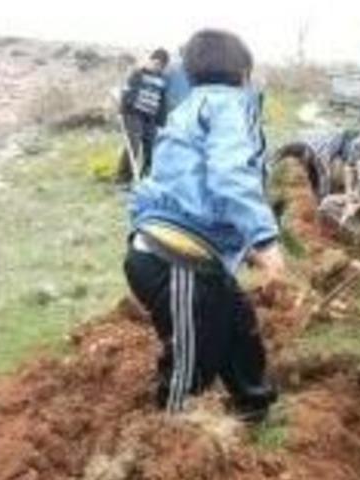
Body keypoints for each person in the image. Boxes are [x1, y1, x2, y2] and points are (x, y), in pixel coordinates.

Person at [123, 29, 283, 424]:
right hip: (176, 260)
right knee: (192, 358)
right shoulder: (228, 105)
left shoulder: (189, 107)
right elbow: (230, 176)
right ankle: (173, 431)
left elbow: (189, 184)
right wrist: (264, 239)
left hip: (188, 253)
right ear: (243, 72)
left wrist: (242, 245)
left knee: (237, 324)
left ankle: (253, 405)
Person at [117, 48, 170, 182]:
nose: (158, 67)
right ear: (150, 60)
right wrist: (123, 110)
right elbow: (126, 94)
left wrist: (161, 122)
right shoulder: (137, 74)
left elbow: (162, 103)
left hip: (150, 118)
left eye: (162, 66)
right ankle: (123, 179)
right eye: (156, 63)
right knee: (133, 145)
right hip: (133, 115)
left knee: (152, 148)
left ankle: (146, 177)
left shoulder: (163, 79)